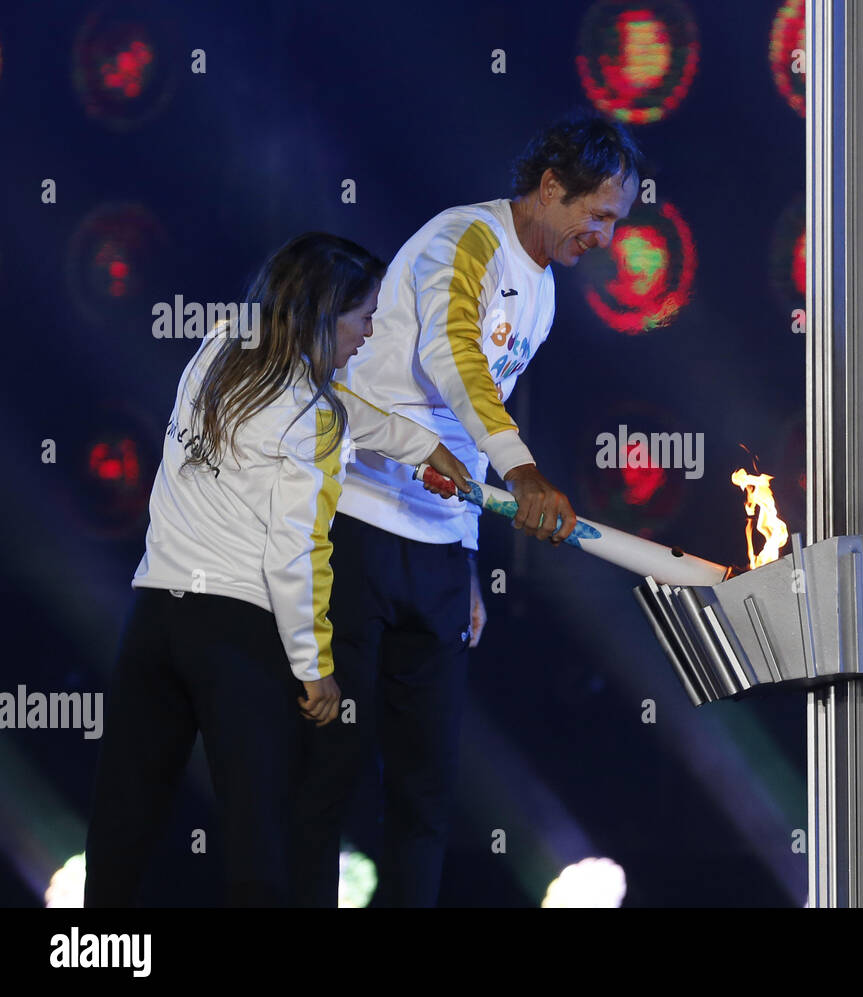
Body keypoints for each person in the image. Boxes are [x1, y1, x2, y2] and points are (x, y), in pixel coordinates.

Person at [293, 109, 646, 907]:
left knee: (426, 792)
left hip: (439, 555)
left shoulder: (545, 297)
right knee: (327, 770)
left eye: (615, 223)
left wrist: (469, 562)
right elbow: (451, 356)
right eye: (599, 216)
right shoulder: (464, 240)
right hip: (358, 527)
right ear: (552, 187)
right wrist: (526, 472)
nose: (605, 238)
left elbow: (472, 435)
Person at [83, 232, 469, 906]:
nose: (371, 333)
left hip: (152, 619)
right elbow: (292, 556)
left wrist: (423, 445)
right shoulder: (310, 419)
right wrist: (314, 668)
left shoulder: (221, 345)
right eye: (363, 317)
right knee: (258, 840)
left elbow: (348, 410)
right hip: (234, 636)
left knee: (123, 824)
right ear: (323, 314)